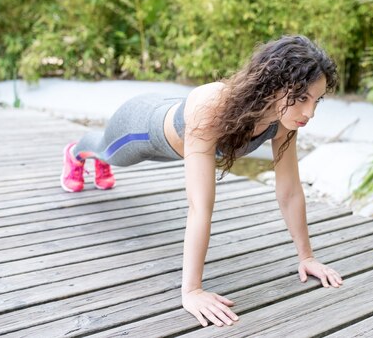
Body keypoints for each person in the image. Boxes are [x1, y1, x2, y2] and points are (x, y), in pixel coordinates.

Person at [60, 34, 344, 327]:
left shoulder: (285, 121)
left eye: (316, 100)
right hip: (142, 128)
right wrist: (192, 290)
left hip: (179, 137)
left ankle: (96, 161)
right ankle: (76, 153)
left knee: (110, 155)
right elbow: (199, 205)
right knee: (107, 152)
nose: (309, 112)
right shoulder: (214, 105)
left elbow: (290, 192)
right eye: (301, 98)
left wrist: (307, 257)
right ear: (272, 84)